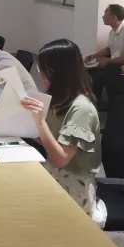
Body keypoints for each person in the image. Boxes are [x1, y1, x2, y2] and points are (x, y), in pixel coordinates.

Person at [19, 39, 103, 222]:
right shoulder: (59, 99)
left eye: (42, 69)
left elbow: (61, 158)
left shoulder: (81, 109)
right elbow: (49, 140)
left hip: (73, 182)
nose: (40, 75)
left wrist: (40, 122)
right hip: (53, 171)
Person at [85, 4, 124, 101]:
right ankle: (93, 101)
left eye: (105, 14)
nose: (103, 17)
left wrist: (107, 61)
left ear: (114, 17)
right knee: (88, 72)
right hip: (114, 62)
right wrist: (94, 55)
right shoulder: (112, 32)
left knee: (98, 77)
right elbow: (108, 49)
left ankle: (99, 103)